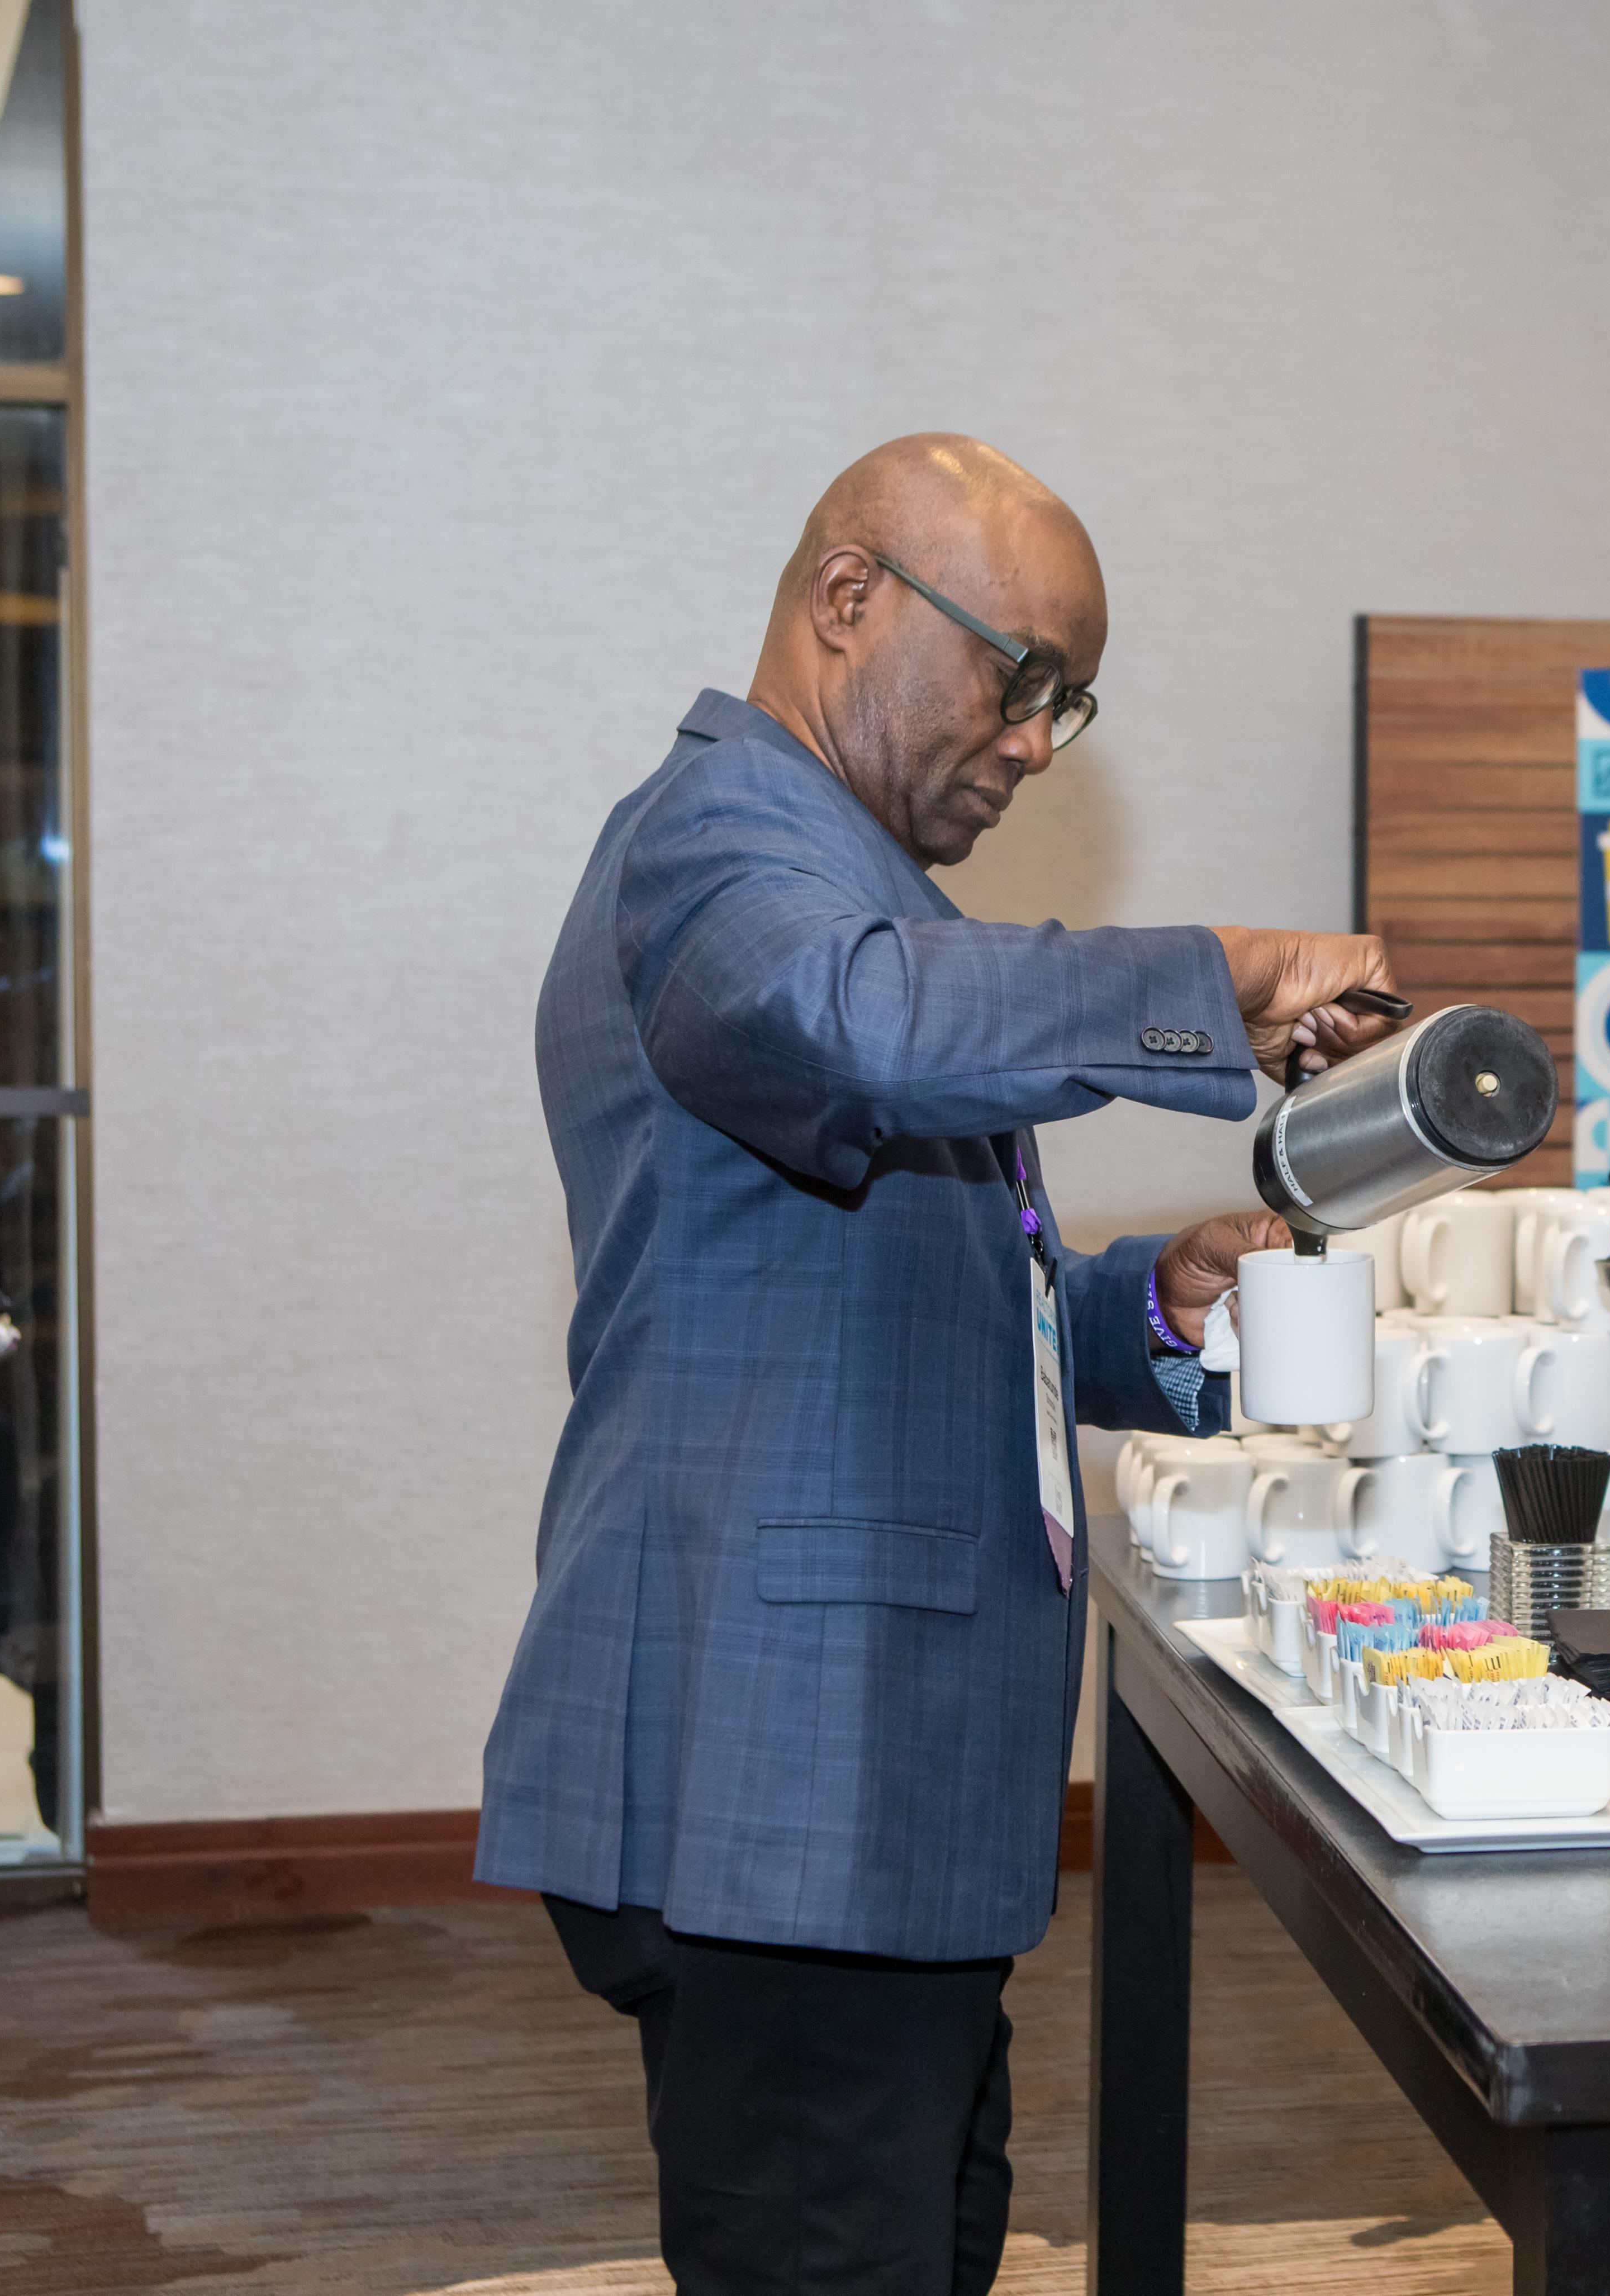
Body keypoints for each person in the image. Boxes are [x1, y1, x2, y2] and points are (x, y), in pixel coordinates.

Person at [475, 435, 1394, 2293]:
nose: (1037, 741)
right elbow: (857, 1027)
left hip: (857, 1794)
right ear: (847, 600)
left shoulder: (852, 888)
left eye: (1071, 702)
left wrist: (1148, 1309)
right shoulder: (719, 840)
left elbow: (900, 1295)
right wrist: (1209, 976)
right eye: (1019, 676)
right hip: (779, 1778)